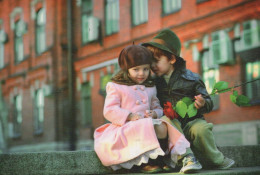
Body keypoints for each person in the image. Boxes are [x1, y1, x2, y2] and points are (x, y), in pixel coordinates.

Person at [142, 28, 235, 173]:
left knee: (202, 128)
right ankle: (187, 158)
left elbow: (209, 101)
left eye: (157, 60)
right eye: (150, 61)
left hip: (191, 123)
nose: (152, 65)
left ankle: (216, 159)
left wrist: (203, 103)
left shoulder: (192, 78)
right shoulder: (153, 83)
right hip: (170, 130)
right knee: (167, 119)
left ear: (172, 59)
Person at [94, 45, 190, 173]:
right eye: (136, 69)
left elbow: (157, 107)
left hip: (147, 122)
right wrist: (129, 116)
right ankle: (144, 163)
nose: (141, 73)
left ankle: (160, 158)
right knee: (143, 127)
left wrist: (155, 114)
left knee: (162, 126)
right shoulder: (116, 86)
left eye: (145, 69)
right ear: (127, 69)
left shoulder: (150, 87)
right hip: (125, 126)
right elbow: (109, 110)